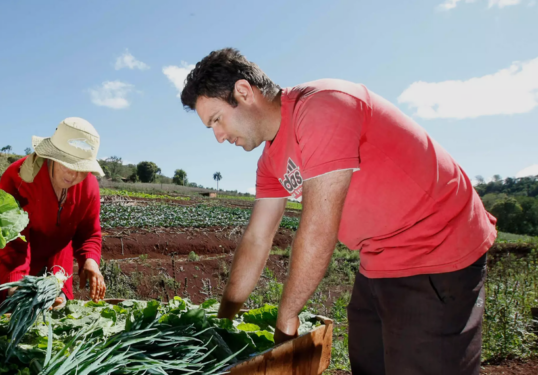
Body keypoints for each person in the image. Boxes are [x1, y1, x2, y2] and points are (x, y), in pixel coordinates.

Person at [179, 48, 497, 375]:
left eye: (216, 120)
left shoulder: (321, 106)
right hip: (377, 258)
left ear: (244, 92)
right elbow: (257, 239)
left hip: (440, 247)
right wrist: (223, 321)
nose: (218, 136)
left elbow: (318, 229)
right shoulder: (269, 163)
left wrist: (287, 320)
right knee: (369, 364)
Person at [0, 117, 107, 316]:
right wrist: (17, 288)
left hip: (55, 251)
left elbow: (89, 232)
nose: (72, 175)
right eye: (66, 165)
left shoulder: (89, 187)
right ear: (52, 156)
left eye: (80, 169)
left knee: (59, 313)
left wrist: (90, 261)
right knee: (5, 321)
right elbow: (11, 241)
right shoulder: (18, 177)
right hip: (5, 253)